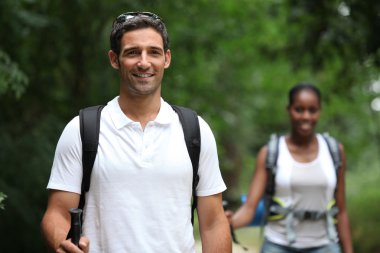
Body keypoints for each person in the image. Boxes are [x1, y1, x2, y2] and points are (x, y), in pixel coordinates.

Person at [41, 11, 232, 253]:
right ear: (114, 59)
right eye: (132, 52)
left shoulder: (195, 130)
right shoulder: (82, 129)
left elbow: (213, 223)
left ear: (167, 59)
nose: (144, 62)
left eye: (154, 52)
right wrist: (62, 241)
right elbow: (57, 212)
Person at [226, 83, 353, 253]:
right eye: (299, 109)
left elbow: (342, 211)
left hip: (325, 245)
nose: (306, 116)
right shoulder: (270, 153)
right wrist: (225, 223)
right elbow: (250, 207)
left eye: (312, 110)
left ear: (319, 111)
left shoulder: (335, 151)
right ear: (289, 110)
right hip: (278, 245)